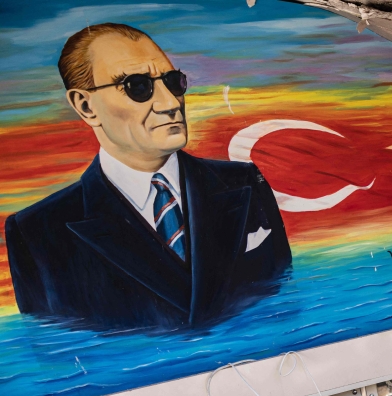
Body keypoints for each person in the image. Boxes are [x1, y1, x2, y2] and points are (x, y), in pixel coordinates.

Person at [4, 23, 292, 331]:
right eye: (137, 86)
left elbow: (286, 301)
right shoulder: (37, 232)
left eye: (173, 82)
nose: (171, 103)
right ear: (86, 106)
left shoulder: (244, 182)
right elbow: (52, 348)